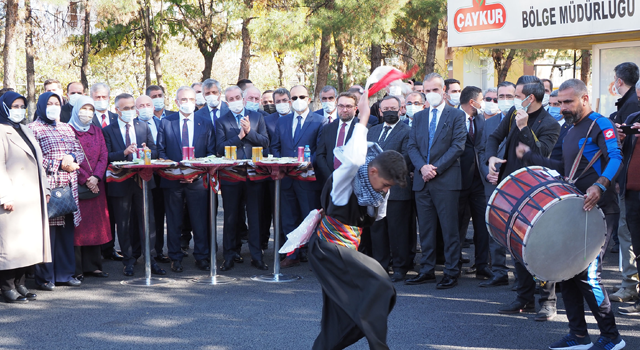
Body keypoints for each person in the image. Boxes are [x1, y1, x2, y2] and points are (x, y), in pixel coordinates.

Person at [516, 79, 626, 350]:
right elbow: (559, 165)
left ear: (585, 99)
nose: (563, 107)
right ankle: (578, 335)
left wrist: (600, 185)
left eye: (568, 102)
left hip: (601, 208)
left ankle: (612, 337)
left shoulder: (600, 124)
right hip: (574, 207)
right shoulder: (568, 128)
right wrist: (530, 155)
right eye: (560, 102)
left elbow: (616, 157)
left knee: (588, 274)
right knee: (567, 273)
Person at [307, 88, 408, 350]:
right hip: (327, 250)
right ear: (372, 171)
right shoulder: (346, 182)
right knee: (381, 287)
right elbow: (351, 160)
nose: (385, 190)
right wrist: (363, 119)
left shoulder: (374, 192)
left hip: (344, 249)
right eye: (385, 184)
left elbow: (374, 213)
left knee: (338, 311)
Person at [485, 76, 560, 319]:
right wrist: (491, 158)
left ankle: (548, 300)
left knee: (541, 245)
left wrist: (525, 128)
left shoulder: (550, 124)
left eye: (517, 95)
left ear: (531, 98)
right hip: (511, 188)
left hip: (537, 191)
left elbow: (541, 154)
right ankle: (524, 297)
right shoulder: (511, 116)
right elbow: (494, 137)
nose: (513, 100)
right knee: (514, 244)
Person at [405, 72, 466, 289]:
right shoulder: (419, 117)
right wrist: (422, 167)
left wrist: (435, 169)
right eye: (426, 91)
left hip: (446, 181)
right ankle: (427, 270)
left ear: (443, 91)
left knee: (449, 229)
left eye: (434, 90)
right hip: (422, 181)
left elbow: (458, 146)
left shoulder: (456, 116)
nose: (431, 94)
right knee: (427, 229)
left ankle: (451, 271)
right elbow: (411, 146)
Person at [103, 93, 166, 277]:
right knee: (124, 223)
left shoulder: (143, 126)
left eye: (133, 107)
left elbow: (155, 151)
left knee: (148, 220)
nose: (131, 111)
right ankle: (128, 259)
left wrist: (147, 151)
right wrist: (124, 152)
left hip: (143, 182)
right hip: (120, 181)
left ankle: (150, 257)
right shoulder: (109, 130)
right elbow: (106, 155)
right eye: (126, 108)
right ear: (117, 110)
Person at [30, 92, 84, 291]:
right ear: (42, 105)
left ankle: (65, 274)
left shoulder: (66, 127)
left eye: (57, 103)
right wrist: (59, 164)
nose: (53, 106)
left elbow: (78, 150)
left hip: (68, 186)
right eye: (49, 103)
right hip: (48, 186)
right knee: (48, 233)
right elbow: (33, 158)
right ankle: (45, 277)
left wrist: (71, 157)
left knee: (65, 231)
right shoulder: (33, 129)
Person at [158, 86, 216, 273]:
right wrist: (178, 172)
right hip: (172, 180)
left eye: (191, 99)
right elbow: (161, 152)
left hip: (198, 181)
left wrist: (194, 173)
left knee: (200, 221)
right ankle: (175, 257)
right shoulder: (166, 122)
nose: (187, 103)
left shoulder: (205, 123)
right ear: (176, 102)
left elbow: (210, 153)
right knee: (174, 222)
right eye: (183, 100)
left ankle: (202, 257)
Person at [0, 91, 51, 303]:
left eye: (22, 106)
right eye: (15, 106)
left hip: (31, 196)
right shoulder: (1, 130)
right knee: (9, 245)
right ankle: (6, 286)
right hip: (13, 195)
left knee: (26, 243)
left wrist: (46, 188)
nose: (19, 110)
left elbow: (39, 162)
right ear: (4, 107)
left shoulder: (25, 129)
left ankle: (21, 283)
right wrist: (5, 195)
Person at [216, 86, 269, 271]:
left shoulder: (257, 117)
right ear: (227, 101)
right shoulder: (222, 121)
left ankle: (256, 256)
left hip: (254, 175)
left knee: (254, 217)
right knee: (231, 218)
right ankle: (229, 255)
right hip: (232, 176)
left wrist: (250, 132)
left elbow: (265, 143)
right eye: (231, 98)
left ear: (243, 98)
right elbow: (220, 148)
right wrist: (240, 136)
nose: (235, 100)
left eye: (238, 97)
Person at [271, 85, 325, 268]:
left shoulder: (319, 121)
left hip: (307, 179)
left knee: (309, 217)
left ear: (309, 99)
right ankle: (292, 254)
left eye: (301, 96)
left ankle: (313, 255)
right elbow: (275, 147)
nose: (297, 101)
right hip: (286, 179)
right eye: (293, 98)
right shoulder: (282, 122)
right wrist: (282, 165)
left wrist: (309, 163)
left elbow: (320, 149)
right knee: (288, 217)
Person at [368, 95, 413, 282]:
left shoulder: (408, 131)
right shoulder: (373, 131)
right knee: (377, 230)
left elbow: (404, 158)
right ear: (380, 111)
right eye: (385, 109)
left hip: (397, 189)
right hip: (375, 189)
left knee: (398, 230)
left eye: (393, 109)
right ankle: (380, 266)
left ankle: (401, 267)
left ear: (401, 109)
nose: (389, 112)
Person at [68, 96, 111, 281]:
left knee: (95, 226)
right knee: (78, 228)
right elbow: (69, 158)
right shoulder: (67, 130)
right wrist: (86, 179)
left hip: (96, 185)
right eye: (83, 108)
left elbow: (104, 154)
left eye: (90, 109)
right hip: (78, 185)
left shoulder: (96, 130)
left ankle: (93, 266)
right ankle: (77, 268)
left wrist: (96, 177)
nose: (87, 113)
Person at [477, 81, 515, 288]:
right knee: (494, 225)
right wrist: (488, 172)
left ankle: (526, 275)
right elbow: (482, 151)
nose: (505, 100)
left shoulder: (523, 121)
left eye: (510, 96)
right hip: (491, 181)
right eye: (502, 96)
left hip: (516, 183)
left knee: (519, 227)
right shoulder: (489, 123)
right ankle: (499, 271)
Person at [457, 86, 492, 280]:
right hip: (457, 180)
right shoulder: (452, 117)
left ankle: (482, 265)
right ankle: (454, 265)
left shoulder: (481, 119)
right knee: (457, 226)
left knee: (482, 225)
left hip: (479, 181)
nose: (484, 102)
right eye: (482, 99)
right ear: (473, 102)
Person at [134, 95, 170, 263]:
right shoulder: (134, 125)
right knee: (142, 216)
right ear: (136, 108)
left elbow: (159, 150)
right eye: (142, 105)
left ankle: (158, 250)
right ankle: (139, 252)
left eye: (148, 104)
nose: (146, 107)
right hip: (140, 178)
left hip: (162, 176)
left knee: (159, 215)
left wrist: (151, 152)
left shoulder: (162, 123)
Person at [618, 110, 640, 316]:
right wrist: (621, 138)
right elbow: (622, 153)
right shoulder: (633, 118)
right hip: (632, 192)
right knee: (637, 246)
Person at [316, 93, 360, 186]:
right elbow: (320, 155)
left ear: (355, 109)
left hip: (353, 184)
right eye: (341, 106)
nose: (344, 110)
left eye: (348, 106)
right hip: (330, 182)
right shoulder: (327, 128)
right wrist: (330, 176)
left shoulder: (363, 128)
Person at [549, 90, 571, 162]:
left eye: (556, 104)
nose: (552, 108)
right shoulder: (544, 123)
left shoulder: (571, 127)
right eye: (550, 104)